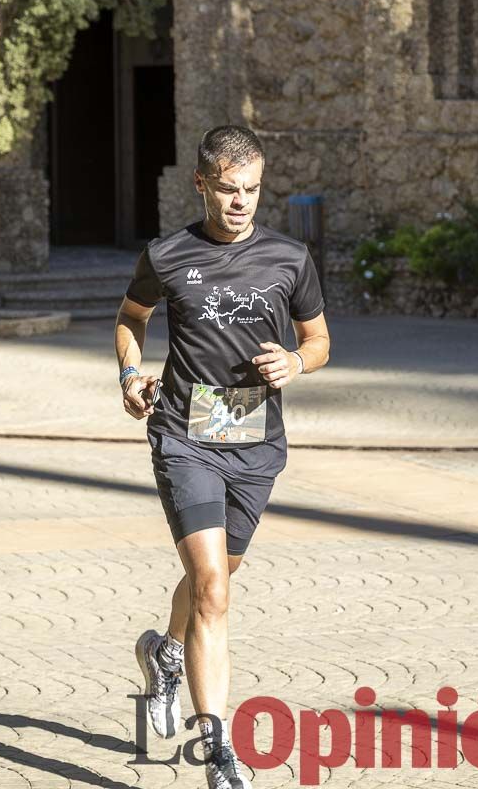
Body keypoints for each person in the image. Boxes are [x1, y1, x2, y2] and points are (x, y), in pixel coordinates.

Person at [114, 125, 330, 789]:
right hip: (184, 434)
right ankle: (217, 750)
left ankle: (167, 655)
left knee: (216, 581)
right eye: (230, 190)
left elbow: (319, 340)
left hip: (256, 443)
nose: (242, 202)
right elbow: (131, 317)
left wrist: (295, 361)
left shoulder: (289, 259)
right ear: (202, 184)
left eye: (254, 190)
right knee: (211, 588)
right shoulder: (170, 254)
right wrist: (130, 375)